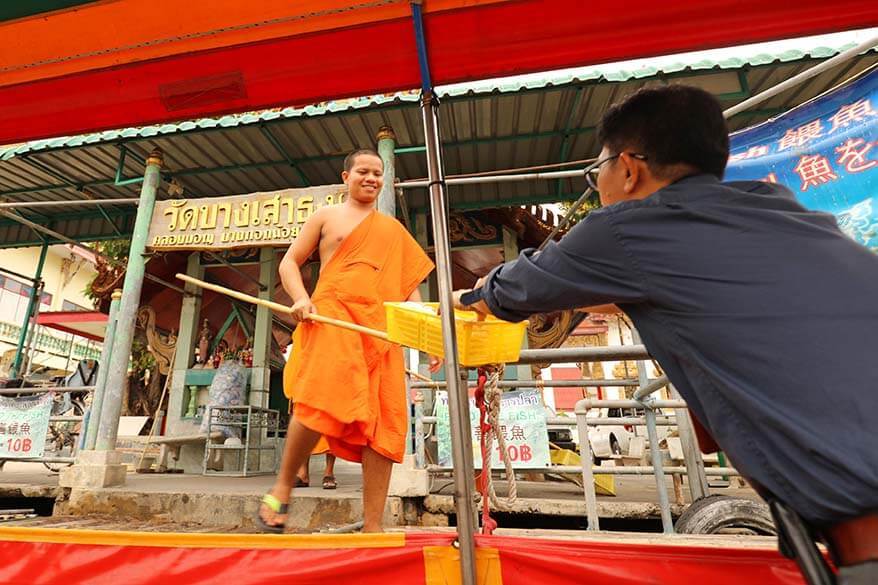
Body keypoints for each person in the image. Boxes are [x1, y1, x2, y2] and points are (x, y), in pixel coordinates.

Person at [453, 85, 878, 583]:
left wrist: (473, 291)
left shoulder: (623, 230)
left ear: (629, 168)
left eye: (600, 171)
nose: (602, 184)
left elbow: (509, 292)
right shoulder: (774, 208)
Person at [256, 149, 438, 533]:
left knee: (384, 424)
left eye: (377, 173)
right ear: (346, 176)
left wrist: (426, 339)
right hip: (331, 321)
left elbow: (410, 291)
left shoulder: (392, 231)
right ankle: (283, 486)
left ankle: (373, 524)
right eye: (363, 172)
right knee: (316, 402)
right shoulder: (325, 217)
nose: (371, 178)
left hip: (380, 334)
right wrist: (301, 299)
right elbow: (289, 263)